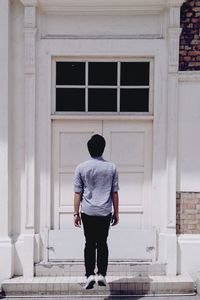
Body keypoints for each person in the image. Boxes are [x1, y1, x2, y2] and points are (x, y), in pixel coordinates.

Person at [73, 134, 119, 289]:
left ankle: (89, 275)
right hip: (105, 212)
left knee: (89, 243)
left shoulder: (81, 167)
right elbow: (114, 192)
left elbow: (78, 193)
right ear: (103, 149)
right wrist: (116, 213)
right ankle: (102, 274)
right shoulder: (111, 167)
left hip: (88, 212)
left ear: (89, 149)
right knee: (103, 243)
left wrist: (75, 213)